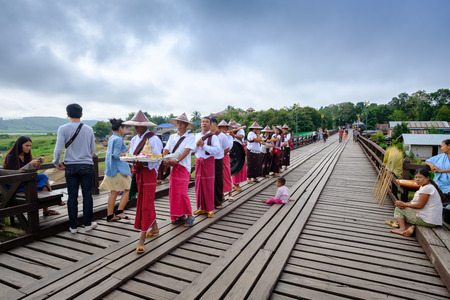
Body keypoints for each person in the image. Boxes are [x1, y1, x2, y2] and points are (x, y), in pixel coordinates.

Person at [53, 103, 96, 234]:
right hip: (87, 166)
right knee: (87, 195)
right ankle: (88, 224)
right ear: (81, 114)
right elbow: (92, 150)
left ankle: (73, 227)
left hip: (70, 166)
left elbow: (58, 148)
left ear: (67, 114)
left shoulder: (63, 128)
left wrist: (56, 162)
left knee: (72, 196)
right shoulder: (89, 129)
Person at [123, 110, 162, 253]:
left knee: (145, 204)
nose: (135, 127)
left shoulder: (154, 139)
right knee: (144, 201)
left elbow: (157, 159)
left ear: (145, 126)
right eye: (134, 125)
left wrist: (143, 162)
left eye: (138, 125)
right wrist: (133, 162)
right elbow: (132, 155)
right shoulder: (134, 139)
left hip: (149, 173)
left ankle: (142, 238)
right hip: (138, 172)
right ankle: (155, 227)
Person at [3, 136, 61, 216]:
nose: (29, 148)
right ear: (20, 145)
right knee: (43, 181)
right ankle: (54, 200)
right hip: (14, 184)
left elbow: (34, 170)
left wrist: (38, 163)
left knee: (44, 183)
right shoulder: (11, 157)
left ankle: (47, 208)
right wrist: (29, 164)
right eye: (26, 146)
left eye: (30, 146)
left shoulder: (26, 155)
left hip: (25, 180)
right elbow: (14, 173)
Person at [163, 113, 196, 227]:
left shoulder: (190, 137)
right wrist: (164, 158)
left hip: (183, 167)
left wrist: (176, 161)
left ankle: (190, 215)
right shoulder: (172, 137)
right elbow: (166, 149)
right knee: (174, 193)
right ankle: (180, 215)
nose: (180, 125)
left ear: (186, 125)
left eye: (182, 123)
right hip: (173, 168)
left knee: (182, 192)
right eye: (178, 122)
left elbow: (186, 151)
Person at [390, 169, 443, 237]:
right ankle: (410, 227)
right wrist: (405, 205)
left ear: (427, 178)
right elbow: (414, 202)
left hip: (428, 220)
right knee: (403, 212)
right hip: (432, 219)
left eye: (420, 177)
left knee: (398, 210)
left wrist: (404, 204)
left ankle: (402, 229)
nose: (417, 179)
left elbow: (420, 205)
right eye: (416, 177)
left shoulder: (427, 188)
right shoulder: (425, 186)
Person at [99, 118, 131, 222]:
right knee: (129, 189)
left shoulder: (113, 137)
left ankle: (110, 215)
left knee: (114, 192)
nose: (125, 129)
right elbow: (116, 155)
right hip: (119, 170)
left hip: (112, 168)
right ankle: (119, 211)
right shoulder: (118, 139)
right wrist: (127, 154)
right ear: (120, 128)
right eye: (125, 127)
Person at [193, 117, 221, 218]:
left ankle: (209, 209)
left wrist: (204, 146)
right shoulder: (196, 136)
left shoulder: (214, 137)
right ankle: (200, 207)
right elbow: (193, 151)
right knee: (198, 185)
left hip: (208, 162)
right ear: (201, 124)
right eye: (203, 122)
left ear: (210, 124)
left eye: (207, 122)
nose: (204, 124)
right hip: (199, 162)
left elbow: (217, 150)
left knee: (208, 185)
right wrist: (196, 146)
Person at [211, 117, 230, 209]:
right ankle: (209, 201)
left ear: (214, 124)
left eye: (210, 123)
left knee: (218, 180)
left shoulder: (222, 136)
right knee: (209, 181)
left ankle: (218, 201)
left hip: (218, 160)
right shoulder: (207, 135)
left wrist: (221, 155)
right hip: (208, 161)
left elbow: (227, 148)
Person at [229, 120, 247, 192]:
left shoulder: (240, 130)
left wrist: (234, 135)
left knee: (240, 166)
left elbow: (241, 137)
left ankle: (237, 184)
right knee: (234, 167)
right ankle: (235, 184)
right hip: (232, 150)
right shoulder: (228, 131)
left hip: (239, 150)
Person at [218, 120, 234, 202]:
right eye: (221, 127)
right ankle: (221, 194)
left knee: (227, 174)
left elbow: (228, 148)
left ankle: (230, 194)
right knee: (219, 175)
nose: (223, 129)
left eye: (225, 127)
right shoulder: (216, 136)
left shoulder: (229, 137)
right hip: (218, 158)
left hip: (225, 156)